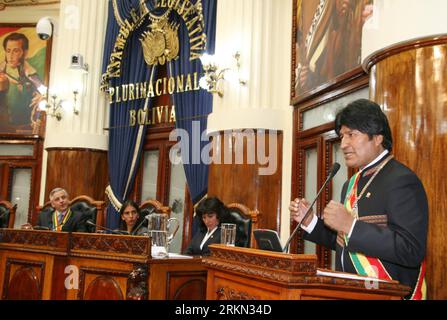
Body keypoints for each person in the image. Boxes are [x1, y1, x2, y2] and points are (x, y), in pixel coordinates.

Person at [289, 99, 428, 300]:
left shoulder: (402, 180)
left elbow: (411, 250)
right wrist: (310, 221)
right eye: (342, 136)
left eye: (351, 135)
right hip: (350, 293)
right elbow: (345, 243)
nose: (344, 144)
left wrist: (351, 225)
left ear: (378, 137)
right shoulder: (351, 183)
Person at [0, 32, 44, 131]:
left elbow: (44, 93)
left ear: (25, 52)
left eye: (15, 51)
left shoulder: (31, 74)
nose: (10, 56)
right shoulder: (1, 74)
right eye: (8, 51)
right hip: (4, 129)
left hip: (27, 128)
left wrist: (42, 97)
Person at [22, 187, 88, 232]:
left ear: (68, 199)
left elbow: (81, 238)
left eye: (63, 197)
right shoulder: (43, 216)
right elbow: (38, 235)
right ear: (52, 204)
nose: (61, 201)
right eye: (57, 199)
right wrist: (31, 231)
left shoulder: (79, 217)